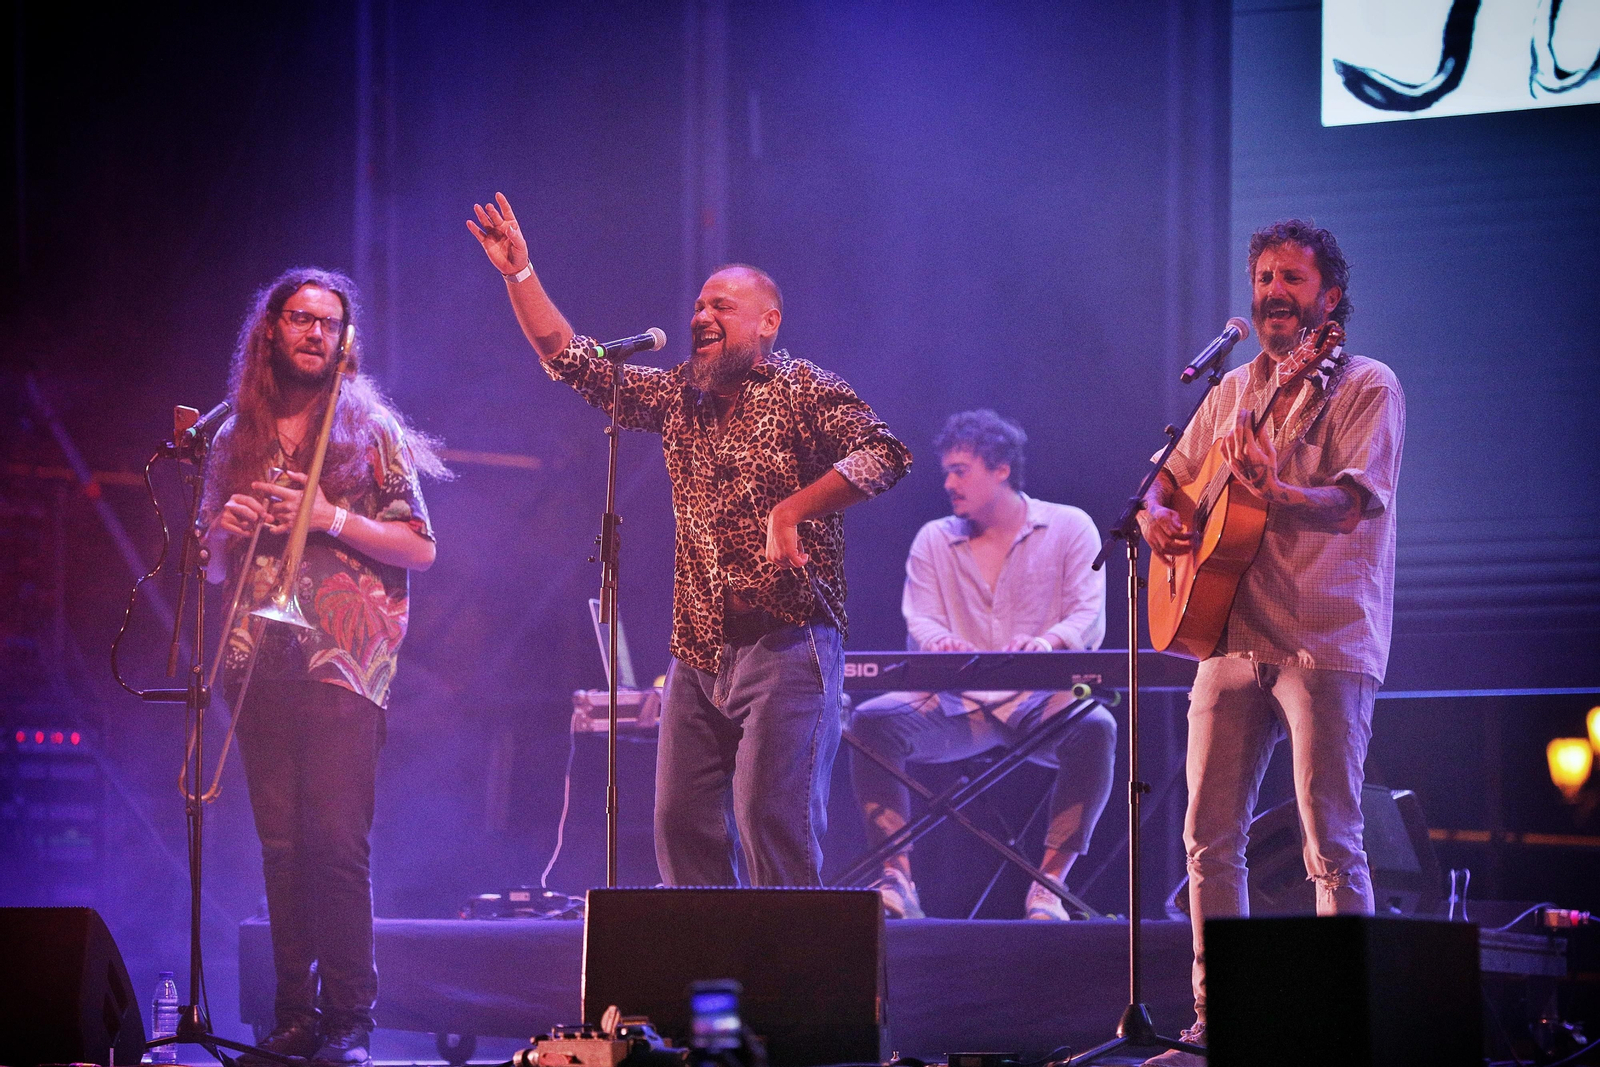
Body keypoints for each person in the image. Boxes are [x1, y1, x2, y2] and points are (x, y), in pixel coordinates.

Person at [467, 192, 911, 887]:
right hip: (698, 652)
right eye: (699, 306)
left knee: (773, 820)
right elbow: (573, 361)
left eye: (721, 307)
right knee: (681, 826)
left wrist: (793, 508)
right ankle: (714, 989)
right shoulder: (679, 396)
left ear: (767, 321)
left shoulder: (803, 388)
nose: (701, 317)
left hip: (790, 642)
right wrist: (519, 274)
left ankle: (791, 990)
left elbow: (885, 452)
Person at [1137, 221, 1405, 1066]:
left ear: (1330, 296)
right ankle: (1219, 1019)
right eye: (1262, 275)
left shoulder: (1365, 384)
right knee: (1206, 837)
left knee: (1334, 838)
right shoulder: (1234, 388)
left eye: (1291, 275)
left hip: (1325, 634)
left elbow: (1355, 502)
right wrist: (1157, 516)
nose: (1272, 289)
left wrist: (1278, 489)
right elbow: (1169, 477)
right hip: (1227, 633)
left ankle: (1343, 1015)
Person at [201, 268, 447, 1067]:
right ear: (269, 329)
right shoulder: (231, 434)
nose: (314, 333)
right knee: (281, 846)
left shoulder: (370, 429)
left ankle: (350, 1020)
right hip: (255, 657)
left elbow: (422, 545)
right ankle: (292, 1017)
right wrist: (226, 529)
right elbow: (209, 567)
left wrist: (330, 515)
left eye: (329, 323)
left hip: (343, 659)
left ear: (346, 340)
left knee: (336, 841)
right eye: (300, 319)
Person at [849, 409, 1115, 920]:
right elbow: (920, 618)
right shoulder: (934, 538)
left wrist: (1045, 644)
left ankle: (1049, 887)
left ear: (1000, 470)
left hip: (1038, 705)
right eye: (946, 471)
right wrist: (941, 643)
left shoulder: (1068, 525)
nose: (948, 483)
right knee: (869, 720)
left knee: (1096, 726)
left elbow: (1088, 617)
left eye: (960, 470)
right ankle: (897, 879)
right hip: (956, 707)